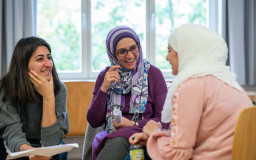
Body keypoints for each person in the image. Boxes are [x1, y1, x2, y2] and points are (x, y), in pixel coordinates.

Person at [129, 24, 253, 160]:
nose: (167, 57)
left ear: (185, 53)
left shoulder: (192, 86)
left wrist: (154, 132)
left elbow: (178, 155)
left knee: (134, 154)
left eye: (170, 51)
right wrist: (156, 135)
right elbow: (194, 137)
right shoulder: (229, 82)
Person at [86, 26, 168, 160]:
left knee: (120, 140)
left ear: (138, 46)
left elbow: (165, 120)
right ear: (113, 54)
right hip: (111, 136)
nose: (129, 56)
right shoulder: (105, 76)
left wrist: (133, 125)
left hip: (143, 135)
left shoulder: (154, 74)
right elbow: (94, 121)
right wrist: (104, 88)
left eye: (133, 48)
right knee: (117, 141)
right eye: (122, 51)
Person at [0, 37, 69, 160]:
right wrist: (34, 153)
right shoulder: (6, 88)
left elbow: (51, 143)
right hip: (17, 146)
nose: (48, 64)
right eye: (40, 59)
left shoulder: (59, 89)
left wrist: (48, 97)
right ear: (23, 65)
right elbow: (13, 136)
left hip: (45, 144)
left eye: (49, 57)